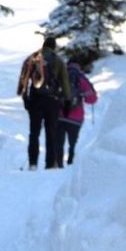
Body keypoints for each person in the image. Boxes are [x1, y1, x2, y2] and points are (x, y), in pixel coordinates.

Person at [17, 35, 71, 170]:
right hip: (52, 102)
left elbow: (23, 79)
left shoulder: (33, 58)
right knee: (51, 132)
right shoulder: (58, 61)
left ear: (44, 45)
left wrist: (25, 98)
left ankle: (33, 163)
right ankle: (50, 164)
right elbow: (65, 83)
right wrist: (67, 101)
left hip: (35, 100)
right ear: (54, 47)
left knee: (34, 133)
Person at [56, 60, 97, 166]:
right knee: (73, 142)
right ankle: (70, 161)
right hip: (76, 118)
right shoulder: (82, 79)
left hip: (60, 116)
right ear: (79, 67)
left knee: (59, 142)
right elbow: (92, 99)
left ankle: (59, 163)